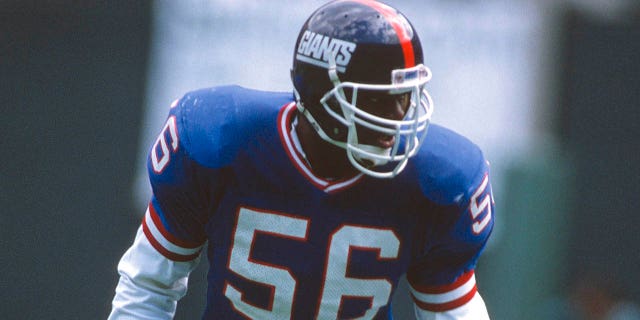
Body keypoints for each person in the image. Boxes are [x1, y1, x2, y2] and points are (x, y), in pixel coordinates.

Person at [108, 0, 494, 319]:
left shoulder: (437, 179)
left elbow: (452, 311)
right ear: (320, 95)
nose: (395, 119)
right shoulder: (221, 140)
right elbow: (148, 285)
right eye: (375, 100)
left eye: (404, 97)